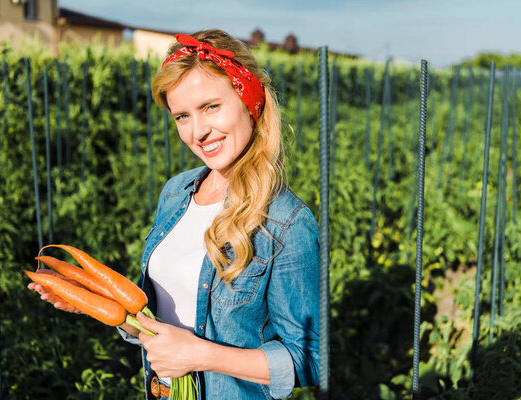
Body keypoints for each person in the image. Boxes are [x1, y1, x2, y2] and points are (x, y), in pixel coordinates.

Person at [30, 29, 319, 400]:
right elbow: (164, 323)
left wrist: (201, 355)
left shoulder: (285, 221)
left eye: (211, 107)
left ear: (250, 101)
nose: (197, 132)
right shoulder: (177, 192)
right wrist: (95, 305)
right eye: (182, 116)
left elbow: (309, 358)